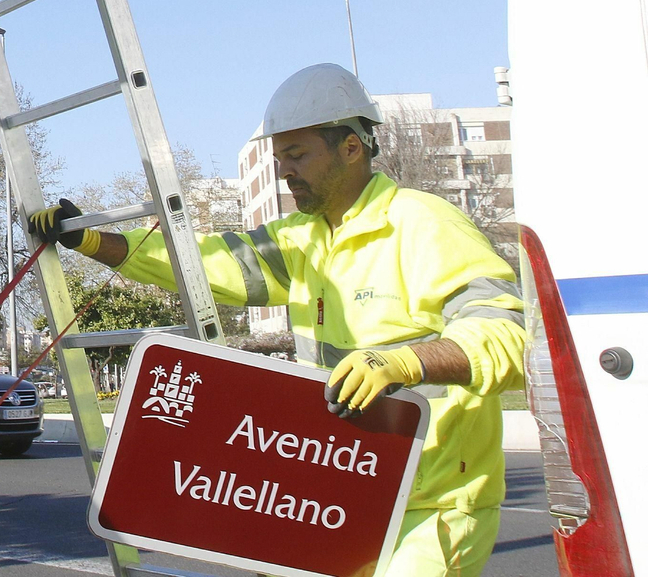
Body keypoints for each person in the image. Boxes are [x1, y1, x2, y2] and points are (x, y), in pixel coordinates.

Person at [31, 63, 526, 577]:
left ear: (351, 148)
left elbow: (509, 339)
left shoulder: (425, 226)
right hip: (339, 502)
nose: (285, 171)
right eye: (279, 158)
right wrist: (91, 239)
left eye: (297, 155)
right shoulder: (301, 240)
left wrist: (405, 362)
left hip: (430, 508)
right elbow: (203, 263)